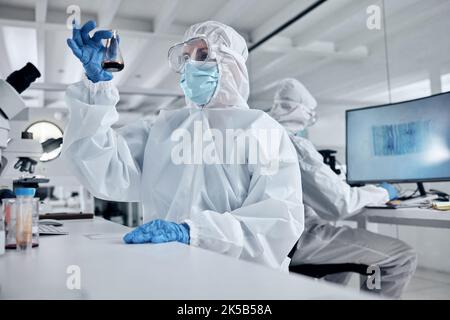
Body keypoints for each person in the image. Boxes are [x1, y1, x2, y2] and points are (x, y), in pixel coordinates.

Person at [62, 21, 304, 269]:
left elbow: (278, 221)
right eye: (186, 57)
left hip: (241, 282)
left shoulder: (262, 130)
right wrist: (96, 85)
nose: (190, 65)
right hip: (169, 269)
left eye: (202, 55)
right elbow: (101, 165)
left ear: (232, 65)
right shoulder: (163, 129)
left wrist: (193, 232)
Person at [268, 78, 417, 298]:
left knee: (344, 257)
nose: (311, 118)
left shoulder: (264, 134)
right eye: (311, 112)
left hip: (275, 238)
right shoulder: (294, 144)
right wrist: (385, 191)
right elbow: (341, 203)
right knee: (402, 256)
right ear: (300, 110)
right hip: (298, 240)